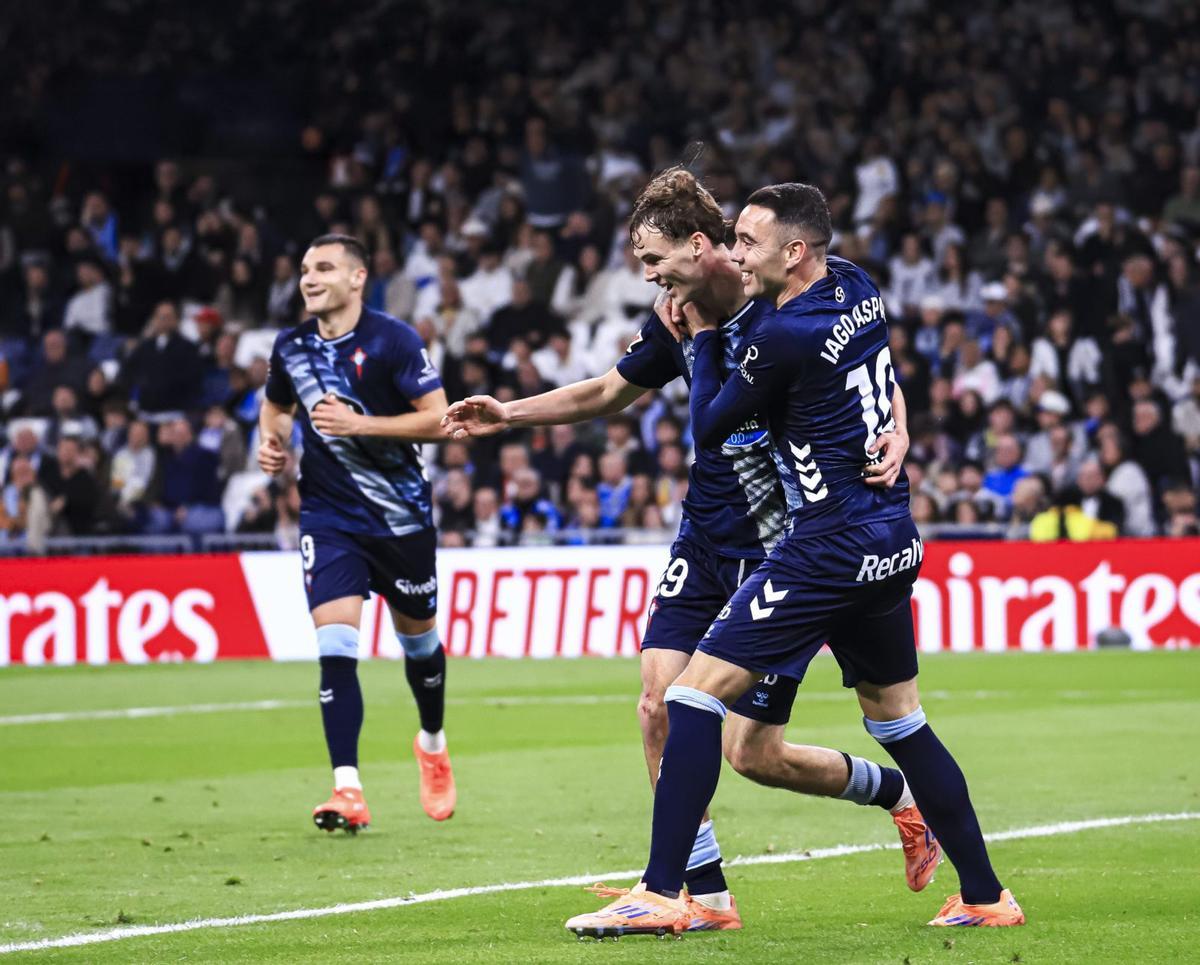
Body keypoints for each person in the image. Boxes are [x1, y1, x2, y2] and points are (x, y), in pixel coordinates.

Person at [442, 169, 935, 933]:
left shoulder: (777, 301)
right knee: (656, 702)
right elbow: (607, 391)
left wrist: (900, 427)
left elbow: (864, 367)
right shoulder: (676, 316)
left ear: (701, 246)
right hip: (704, 538)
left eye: (653, 259)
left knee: (754, 754)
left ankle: (896, 796)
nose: (648, 277)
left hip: (782, 549)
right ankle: (698, 893)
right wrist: (508, 413)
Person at [562, 183, 1023, 936]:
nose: (735, 254)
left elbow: (711, 426)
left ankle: (661, 890)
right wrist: (898, 425)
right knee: (901, 722)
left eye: (748, 242)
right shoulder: (858, 288)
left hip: (826, 546)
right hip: (892, 536)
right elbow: (883, 376)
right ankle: (985, 894)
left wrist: (700, 340)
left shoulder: (782, 336)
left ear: (795, 252)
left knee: (690, 699)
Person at [257, 233, 456, 832]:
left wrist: (360, 425)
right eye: (303, 268)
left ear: (357, 277)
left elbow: (442, 419)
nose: (309, 278)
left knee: (419, 644)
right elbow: (275, 408)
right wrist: (271, 442)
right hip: (328, 515)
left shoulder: (393, 340)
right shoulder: (290, 346)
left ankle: (432, 742)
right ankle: (348, 789)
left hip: (400, 518)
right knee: (336, 648)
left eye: (323, 267)